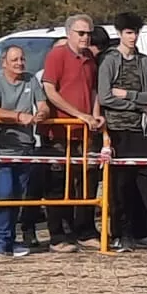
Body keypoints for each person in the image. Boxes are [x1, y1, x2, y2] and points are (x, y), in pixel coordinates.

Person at [98, 13, 147, 250]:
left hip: (142, 129)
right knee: (120, 187)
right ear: (120, 33)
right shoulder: (109, 60)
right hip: (117, 129)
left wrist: (128, 96)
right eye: (129, 32)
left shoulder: (145, 62)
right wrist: (136, 103)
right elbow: (105, 96)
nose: (133, 37)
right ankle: (121, 234)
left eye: (136, 32)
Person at [41, 14, 103, 252]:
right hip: (61, 131)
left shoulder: (89, 58)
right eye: (81, 33)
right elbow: (50, 90)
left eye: (88, 33)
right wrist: (80, 115)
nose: (86, 37)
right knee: (59, 183)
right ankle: (58, 235)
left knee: (87, 183)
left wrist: (94, 115)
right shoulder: (57, 55)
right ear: (69, 34)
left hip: (86, 132)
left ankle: (85, 230)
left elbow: (93, 90)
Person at [0, 46, 50, 258]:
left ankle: (11, 240)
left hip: (25, 146)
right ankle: (0, 243)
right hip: (1, 147)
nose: (19, 63)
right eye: (14, 59)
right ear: (4, 62)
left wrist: (41, 113)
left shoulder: (31, 80)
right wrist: (18, 116)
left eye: (22, 59)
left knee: (18, 196)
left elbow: (43, 105)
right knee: (4, 193)